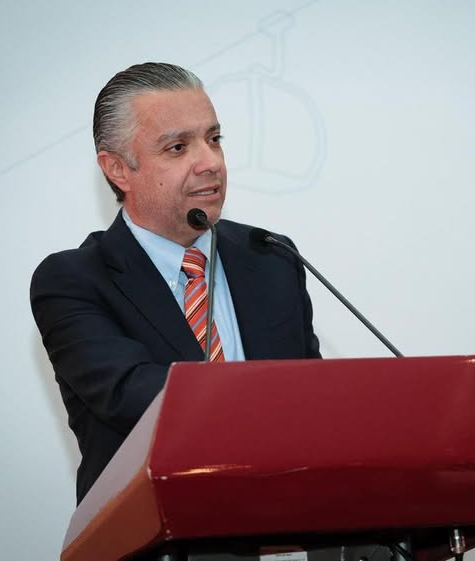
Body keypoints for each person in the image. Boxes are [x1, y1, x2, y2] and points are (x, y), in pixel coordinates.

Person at [30, 62, 321, 504]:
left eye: (214, 139)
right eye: (178, 147)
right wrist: (275, 398)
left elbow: (315, 398)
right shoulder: (75, 281)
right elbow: (135, 397)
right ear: (118, 169)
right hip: (160, 525)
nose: (210, 163)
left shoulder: (271, 258)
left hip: (291, 520)